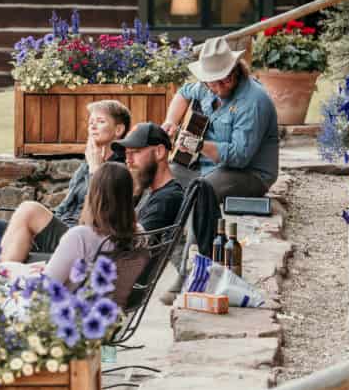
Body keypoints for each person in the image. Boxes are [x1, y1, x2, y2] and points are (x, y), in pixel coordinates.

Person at [0, 100, 131, 263]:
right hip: (64, 225)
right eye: (91, 122)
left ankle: (3, 278)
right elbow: (68, 203)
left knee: (29, 210)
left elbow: (102, 210)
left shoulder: (121, 168)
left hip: (82, 237)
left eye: (101, 121)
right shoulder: (88, 162)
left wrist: (95, 171)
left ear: (119, 129)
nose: (93, 127)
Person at [161, 37, 279, 201]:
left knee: (199, 193)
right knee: (162, 181)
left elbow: (239, 157)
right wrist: (171, 121)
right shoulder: (207, 86)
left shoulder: (253, 101)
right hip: (206, 166)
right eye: (212, 83)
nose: (219, 88)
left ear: (236, 70)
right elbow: (184, 93)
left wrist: (199, 145)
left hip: (249, 173)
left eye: (225, 80)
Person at [38, 161, 136, 285]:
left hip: (73, 303)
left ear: (93, 196)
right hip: (114, 302)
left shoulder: (81, 236)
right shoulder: (140, 235)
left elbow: (45, 289)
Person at [110, 123, 185, 232]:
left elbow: (136, 242)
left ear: (159, 152)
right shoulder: (147, 191)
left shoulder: (168, 198)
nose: (128, 160)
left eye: (135, 152)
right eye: (127, 153)